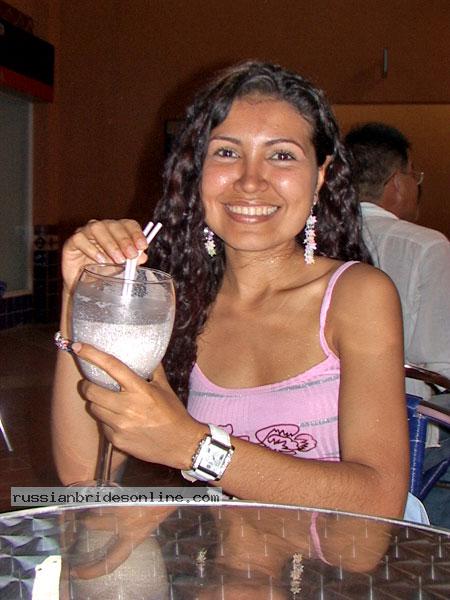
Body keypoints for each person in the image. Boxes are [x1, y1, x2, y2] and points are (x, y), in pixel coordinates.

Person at [52, 61, 410, 520]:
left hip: (335, 561)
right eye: (225, 152)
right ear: (196, 170)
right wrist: (80, 295)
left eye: (282, 156)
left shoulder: (357, 295)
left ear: (320, 175)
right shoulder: (175, 302)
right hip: (219, 557)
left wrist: (193, 445)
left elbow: (381, 498)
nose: (250, 180)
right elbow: (83, 477)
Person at [344, 124, 450, 405]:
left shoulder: (314, 240)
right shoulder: (426, 247)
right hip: (406, 415)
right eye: (413, 174)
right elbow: (442, 360)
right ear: (398, 182)